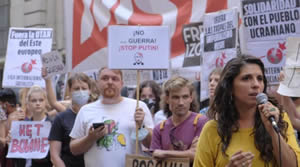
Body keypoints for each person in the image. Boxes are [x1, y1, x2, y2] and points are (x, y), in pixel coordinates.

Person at [193, 55, 300, 167]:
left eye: (260, 78)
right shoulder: (212, 129)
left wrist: (272, 130)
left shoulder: (279, 119)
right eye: (246, 78)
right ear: (230, 86)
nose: (256, 84)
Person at [69, 67, 154, 167]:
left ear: (122, 84)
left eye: (115, 79)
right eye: (105, 78)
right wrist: (90, 138)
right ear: (97, 83)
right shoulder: (85, 110)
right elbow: (73, 149)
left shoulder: (138, 107)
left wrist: (141, 127)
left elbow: (151, 145)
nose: (110, 82)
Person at [150, 76, 208, 164]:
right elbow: (155, 156)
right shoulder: (159, 129)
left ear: (191, 98)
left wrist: (165, 153)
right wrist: (187, 153)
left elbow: (197, 155)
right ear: (167, 99)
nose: (181, 102)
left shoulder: (201, 122)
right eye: (176, 97)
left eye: (185, 97)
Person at [48, 73, 94, 167]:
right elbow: (54, 155)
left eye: (84, 88)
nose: (81, 92)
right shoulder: (61, 118)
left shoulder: (97, 115)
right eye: (76, 89)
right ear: (70, 91)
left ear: (90, 91)